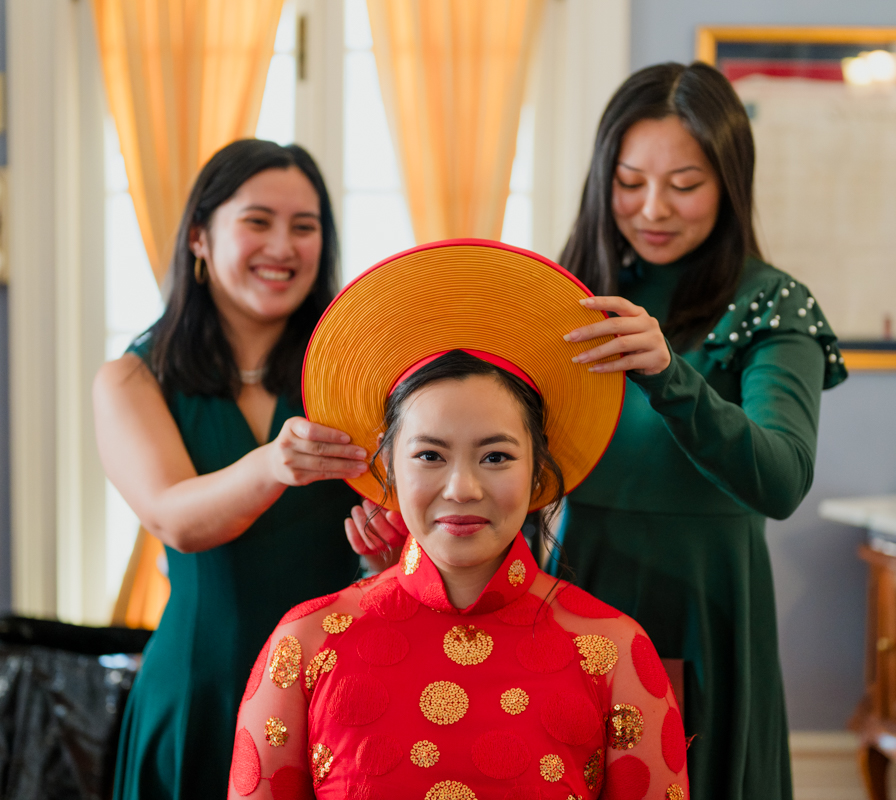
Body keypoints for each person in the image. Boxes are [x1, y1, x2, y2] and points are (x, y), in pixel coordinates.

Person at [348, 63, 848, 800]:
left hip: (703, 608)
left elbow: (779, 479)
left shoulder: (771, 304)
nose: (653, 208)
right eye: (629, 180)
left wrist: (670, 375)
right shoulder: (565, 296)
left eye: (685, 184)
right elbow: (493, 450)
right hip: (571, 594)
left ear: (731, 183)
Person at [230, 242, 688, 799]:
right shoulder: (303, 645)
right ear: (387, 466)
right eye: (430, 455)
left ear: (539, 469)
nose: (462, 488)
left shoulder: (615, 652)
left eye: (496, 456)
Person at [93, 140, 367, 800]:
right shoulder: (132, 378)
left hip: (332, 688)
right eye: (257, 221)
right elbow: (176, 518)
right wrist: (273, 463)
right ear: (198, 237)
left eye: (305, 227)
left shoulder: (356, 371)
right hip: (199, 687)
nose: (283, 246)